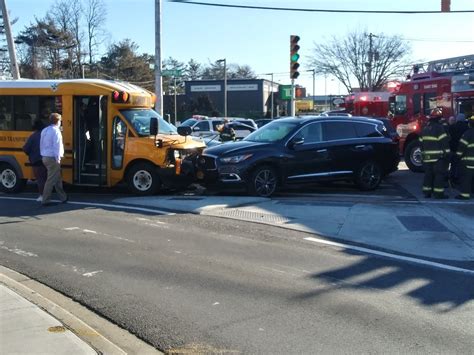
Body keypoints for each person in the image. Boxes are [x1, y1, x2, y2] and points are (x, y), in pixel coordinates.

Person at [420, 108, 451, 199]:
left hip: (427, 157)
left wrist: (423, 154)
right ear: (438, 119)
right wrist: (447, 153)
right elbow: (444, 142)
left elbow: (420, 142)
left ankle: (427, 192)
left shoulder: (425, 128)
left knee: (428, 175)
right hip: (438, 157)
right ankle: (438, 194)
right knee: (439, 175)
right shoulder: (439, 128)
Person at [40, 113, 68, 206]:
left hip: (45, 156)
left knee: (57, 177)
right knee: (51, 179)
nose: (61, 122)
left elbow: (41, 144)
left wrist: (42, 154)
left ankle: (63, 196)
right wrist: (58, 158)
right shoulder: (56, 131)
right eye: (60, 121)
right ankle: (45, 200)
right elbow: (57, 146)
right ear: (58, 121)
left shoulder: (45, 130)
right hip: (53, 157)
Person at [23, 120, 47, 202]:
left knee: (40, 179)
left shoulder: (33, 136)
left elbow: (26, 148)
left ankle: (42, 196)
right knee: (47, 178)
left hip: (37, 160)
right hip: (48, 159)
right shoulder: (46, 135)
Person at [455, 115, 474, 200]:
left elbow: (462, 147)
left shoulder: (468, 133)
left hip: (468, 162)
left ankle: (465, 195)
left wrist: (457, 156)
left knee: (466, 178)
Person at [448, 113, 469, 185]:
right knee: (462, 165)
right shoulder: (467, 128)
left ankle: (452, 178)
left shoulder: (452, 127)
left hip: (453, 149)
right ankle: (460, 178)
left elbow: (449, 138)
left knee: (453, 165)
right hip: (463, 150)